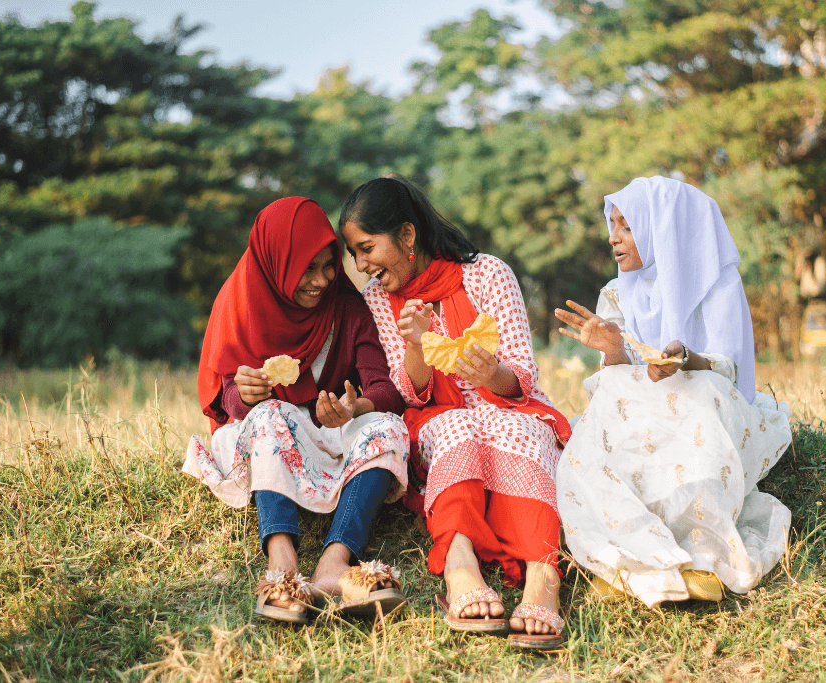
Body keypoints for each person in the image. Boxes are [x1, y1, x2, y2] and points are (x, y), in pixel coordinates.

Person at [338, 176, 571, 649]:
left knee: (514, 427)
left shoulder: (489, 275)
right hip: (438, 417)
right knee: (456, 426)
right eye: (354, 254)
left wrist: (489, 375)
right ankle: (460, 562)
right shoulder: (378, 300)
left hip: (507, 406)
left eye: (366, 248)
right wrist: (417, 342)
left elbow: (522, 375)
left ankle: (543, 575)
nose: (361, 266)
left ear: (407, 236)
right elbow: (409, 394)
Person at [554, 176, 792, 606]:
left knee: (698, 394)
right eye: (613, 225)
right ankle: (627, 556)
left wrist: (686, 359)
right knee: (608, 401)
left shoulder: (715, 284)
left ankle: (704, 553)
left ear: (662, 228)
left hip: (711, 403)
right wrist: (612, 349)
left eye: (627, 226)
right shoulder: (616, 292)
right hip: (644, 407)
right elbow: (618, 377)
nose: (613, 238)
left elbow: (730, 370)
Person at [182, 196, 410, 625]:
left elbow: (385, 389)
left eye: (328, 266)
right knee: (271, 413)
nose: (321, 280)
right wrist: (247, 393)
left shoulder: (345, 306)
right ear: (275, 262)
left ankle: (334, 565)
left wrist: (355, 407)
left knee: (388, 426)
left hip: (329, 434)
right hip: (266, 435)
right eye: (306, 267)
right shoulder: (241, 302)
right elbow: (225, 400)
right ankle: (282, 568)